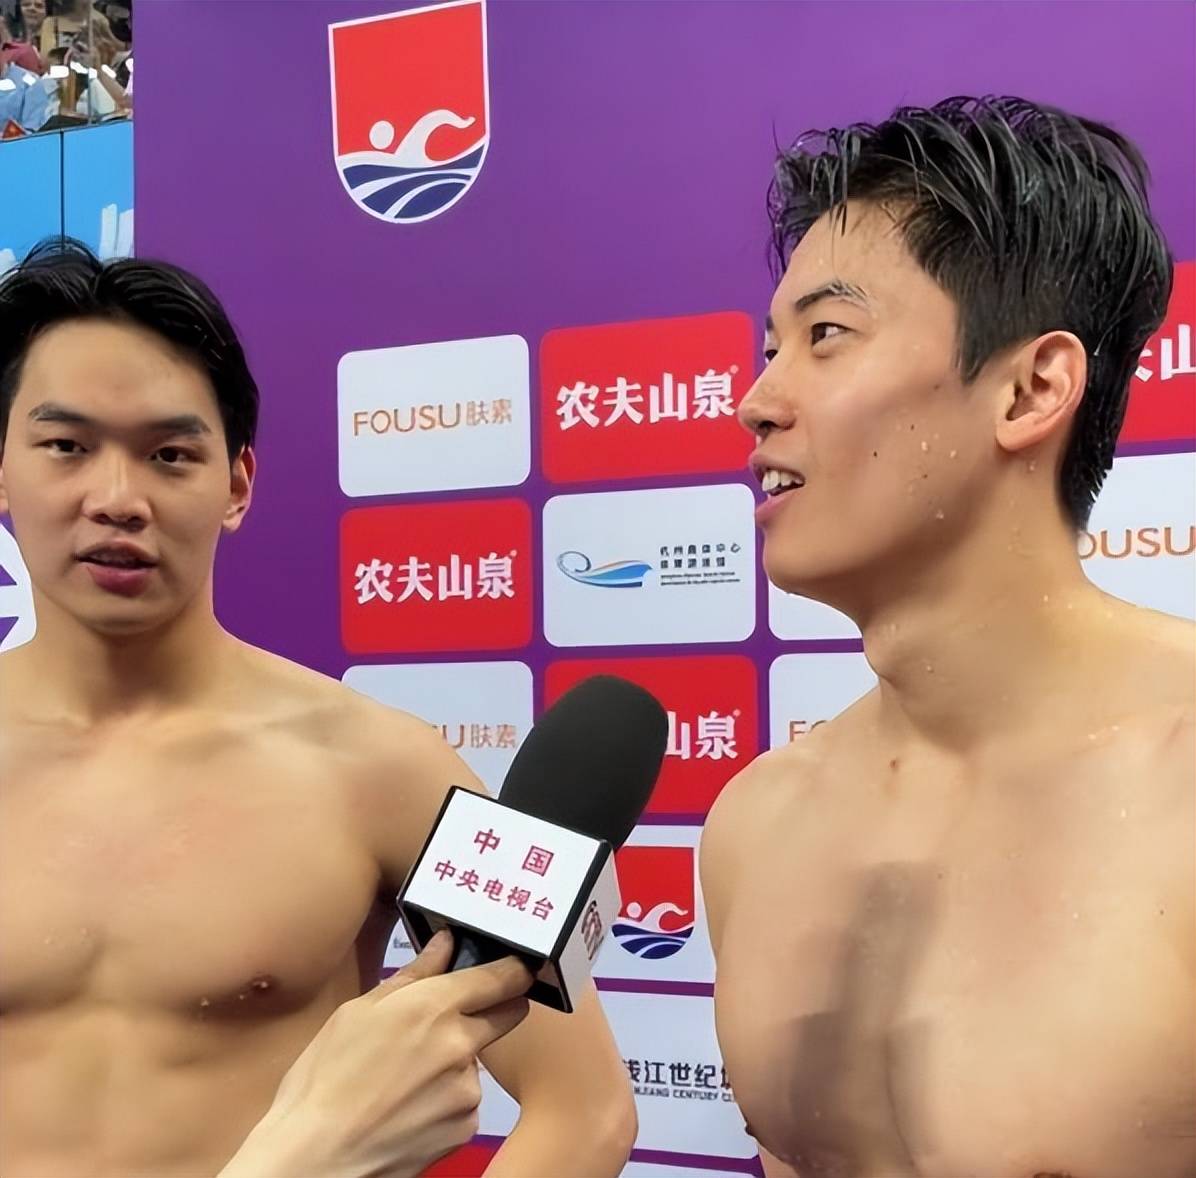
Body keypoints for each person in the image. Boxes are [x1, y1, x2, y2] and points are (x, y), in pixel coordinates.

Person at [0, 240, 636, 1178]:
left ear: (236, 485)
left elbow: (584, 1108)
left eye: (170, 454)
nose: (117, 498)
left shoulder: (387, 768)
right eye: (67, 447)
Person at [700, 96, 1194, 1178]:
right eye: (770, 347)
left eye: (826, 337)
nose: (757, 400)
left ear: (1030, 388)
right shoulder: (756, 822)